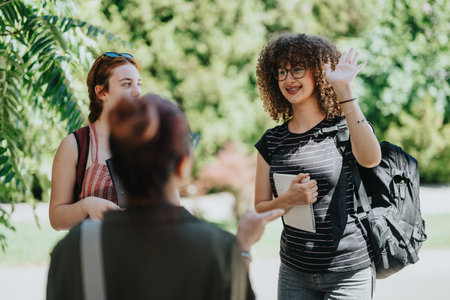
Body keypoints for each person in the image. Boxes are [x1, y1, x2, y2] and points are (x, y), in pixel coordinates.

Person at [47, 94, 284, 300]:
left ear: (117, 162)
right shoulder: (217, 248)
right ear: (183, 165)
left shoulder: (73, 249)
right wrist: (242, 248)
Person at [254, 33, 382, 299]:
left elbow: (371, 159)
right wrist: (288, 199)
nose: (289, 79)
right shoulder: (271, 141)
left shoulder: (343, 127)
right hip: (294, 272)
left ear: (317, 72)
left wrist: (345, 90)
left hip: (348, 271)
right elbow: (260, 207)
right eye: (281, 72)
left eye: (298, 69)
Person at [49, 52, 142, 230]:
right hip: (93, 253)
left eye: (139, 84)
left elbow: (173, 207)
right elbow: (56, 219)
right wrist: (86, 206)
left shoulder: (147, 141)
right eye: (126, 84)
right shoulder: (75, 145)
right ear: (101, 92)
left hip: (142, 254)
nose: (137, 93)